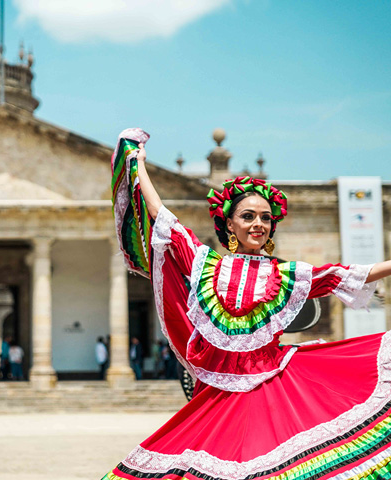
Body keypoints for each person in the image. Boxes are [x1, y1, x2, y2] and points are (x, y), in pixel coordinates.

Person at [103, 128, 391, 480]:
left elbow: (346, 275)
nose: (259, 224)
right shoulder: (205, 265)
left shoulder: (286, 275)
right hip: (218, 398)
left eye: (266, 218)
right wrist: (139, 166)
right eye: (249, 216)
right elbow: (163, 218)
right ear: (229, 224)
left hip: (272, 391)